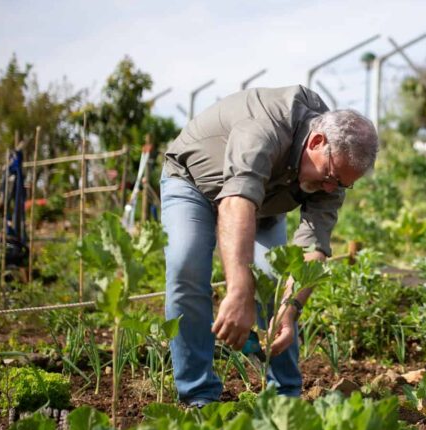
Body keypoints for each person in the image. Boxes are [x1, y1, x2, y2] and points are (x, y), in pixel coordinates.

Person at [160, 85, 378, 405]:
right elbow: (236, 203)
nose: (331, 188)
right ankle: (199, 396)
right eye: (330, 175)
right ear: (316, 142)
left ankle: (284, 397)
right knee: (187, 264)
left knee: (274, 281)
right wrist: (239, 291)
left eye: (341, 184)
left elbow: (312, 248)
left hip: (262, 204)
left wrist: (289, 312)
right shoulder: (264, 127)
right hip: (193, 182)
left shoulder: (333, 175)